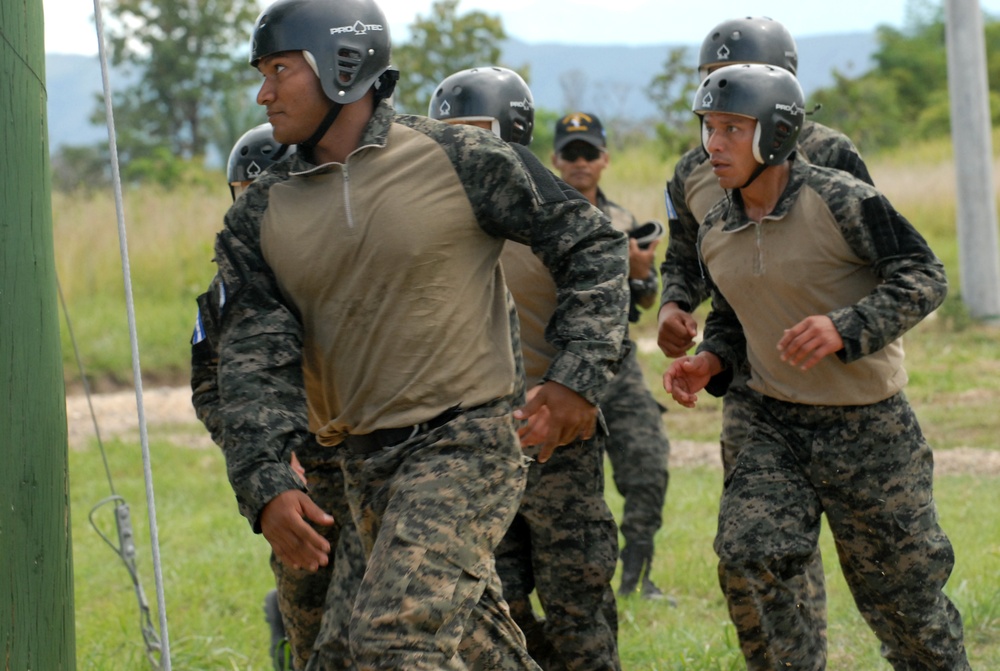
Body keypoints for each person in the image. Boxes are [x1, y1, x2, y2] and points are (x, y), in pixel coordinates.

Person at [211, 0, 630, 668]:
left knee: (396, 642)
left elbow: (592, 244)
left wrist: (578, 375)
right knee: (375, 651)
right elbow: (250, 359)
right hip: (360, 465)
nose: (263, 92)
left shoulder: (458, 157)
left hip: (465, 442)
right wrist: (264, 480)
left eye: (280, 70)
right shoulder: (258, 216)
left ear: (340, 66)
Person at [662, 62, 971, 671]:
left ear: (776, 134)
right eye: (708, 128)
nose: (713, 145)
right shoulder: (716, 226)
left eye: (731, 129)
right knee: (750, 558)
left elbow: (925, 276)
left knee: (907, 609)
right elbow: (729, 311)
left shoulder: (841, 198)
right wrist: (713, 359)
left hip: (870, 431)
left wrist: (845, 327)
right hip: (773, 425)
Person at [656, 15, 878, 647]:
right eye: (709, 83)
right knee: (761, 549)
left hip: (841, 381)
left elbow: (877, 256)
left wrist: (849, 330)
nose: (719, 94)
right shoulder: (691, 171)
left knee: (884, 571)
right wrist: (676, 305)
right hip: (751, 380)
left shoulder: (832, 154)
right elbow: (686, 256)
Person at [429, 66, 621, 671]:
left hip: (554, 443)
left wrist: (574, 386)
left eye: (473, 134)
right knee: (491, 608)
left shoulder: (552, 219)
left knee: (577, 605)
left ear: (510, 134)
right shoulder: (424, 224)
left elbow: (602, 304)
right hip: (467, 448)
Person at [192, 123, 365, 671]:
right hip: (293, 477)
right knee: (308, 632)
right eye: (247, 195)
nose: (259, 211)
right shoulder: (227, 290)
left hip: (370, 462)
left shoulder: (349, 265)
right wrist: (261, 455)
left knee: (359, 632)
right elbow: (210, 385)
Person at [551, 111, 671, 599]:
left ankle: (638, 579)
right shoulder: (541, 213)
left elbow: (646, 297)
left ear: (605, 159)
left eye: (589, 153)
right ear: (555, 160)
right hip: (558, 366)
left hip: (618, 366)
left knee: (648, 464)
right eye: (570, 154)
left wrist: (641, 272)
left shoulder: (624, 221)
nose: (580, 163)